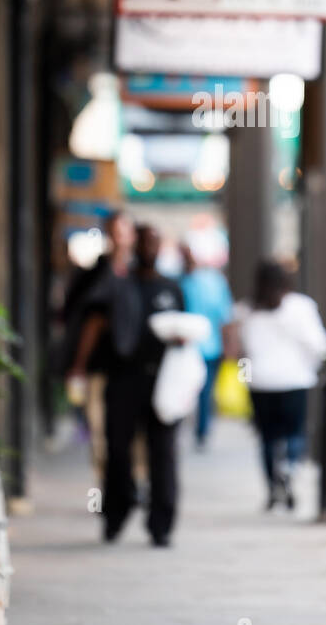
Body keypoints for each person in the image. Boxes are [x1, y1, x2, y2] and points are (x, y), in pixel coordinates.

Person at [75, 223, 185, 546]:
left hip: (162, 381)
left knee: (162, 452)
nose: (150, 248)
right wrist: (79, 366)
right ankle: (115, 514)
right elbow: (94, 322)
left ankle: (161, 524)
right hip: (123, 378)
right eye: (145, 242)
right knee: (117, 450)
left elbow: (187, 330)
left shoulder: (171, 288)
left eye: (155, 242)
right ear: (135, 246)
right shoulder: (118, 284)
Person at [234, 260, 326, 511]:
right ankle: (289, 466)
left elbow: (242, 351)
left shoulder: (246, 310)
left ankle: (272, 487)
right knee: (295, 431)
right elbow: (318, 344)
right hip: (294, 379)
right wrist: (322, 358)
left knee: (267, 437)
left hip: (260, 381)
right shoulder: (300, 307)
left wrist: (246, 380)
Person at [67, 211, 137, 480]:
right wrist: (78, 365)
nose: (119, 238)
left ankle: (130, 483)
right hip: (100, 366)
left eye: (124, 231)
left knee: (131, 432)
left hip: (131, 370)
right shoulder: (95, 274)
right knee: (98, 430)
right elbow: (87, 322)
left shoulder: (139, 273)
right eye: (114, 232)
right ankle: (107, 486)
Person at [179, 243, 234, 447]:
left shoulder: (186, 282)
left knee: (196, 388)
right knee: (206, 388)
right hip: (211, 345)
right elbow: (225, 316)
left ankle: (200, 425)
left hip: (191, 345)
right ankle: (203, 427)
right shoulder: (216, 282)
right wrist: (229, 345)